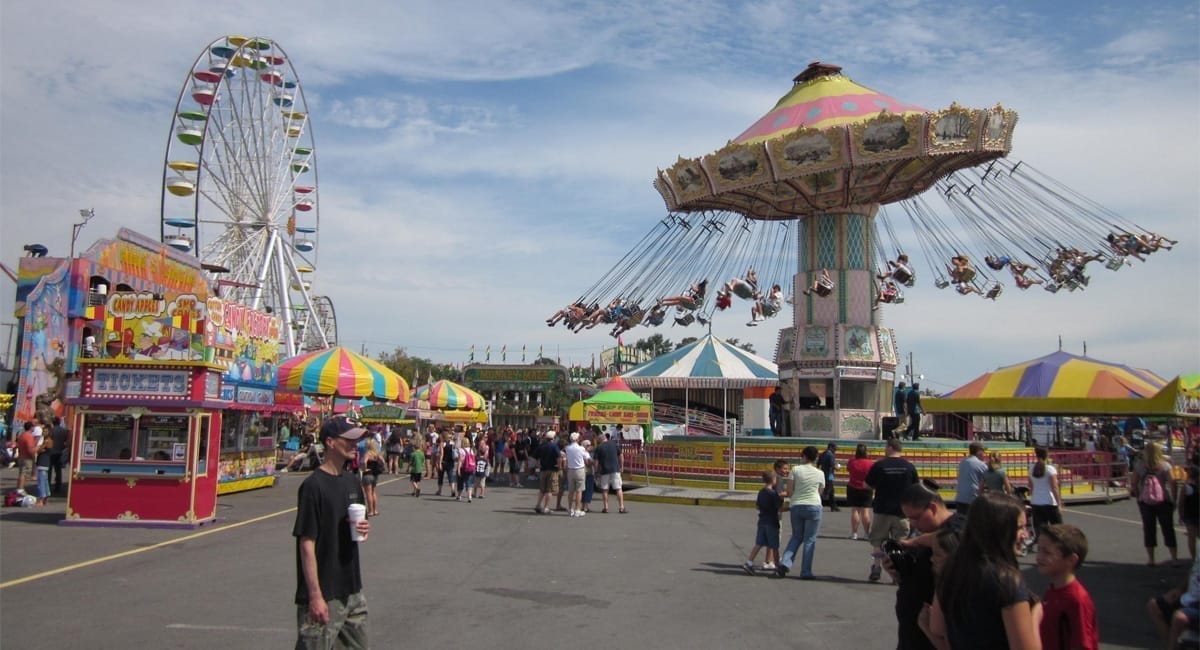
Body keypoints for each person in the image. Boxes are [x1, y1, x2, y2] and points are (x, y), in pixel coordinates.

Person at [925, 492, 1042, 650]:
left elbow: (937, 627)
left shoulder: (952, 568)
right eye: (1020, 527)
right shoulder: (1007, 580)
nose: (1025, 535)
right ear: (1001, 530)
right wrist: (1035, 614)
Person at [292, 415, 371, 648]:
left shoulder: (352, 482)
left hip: (353, 590)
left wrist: (363, 527)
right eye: (348, 440)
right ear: (330, 442)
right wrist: (315, 596)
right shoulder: (313, 487)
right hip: (325, 591)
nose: (354, 445)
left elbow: (360, 526)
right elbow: (307, 543)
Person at [897, 481, 963, 650]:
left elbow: (947, 537)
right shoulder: (925, 532)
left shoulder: (958, 527)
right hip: (911, 634)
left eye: (916, 517)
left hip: (934, 637)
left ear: (933, 508)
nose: (912, 523)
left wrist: (914, 541)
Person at [1036, 524, 1099, 649]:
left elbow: (1083, 645)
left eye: (1047, 552)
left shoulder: (1076, 599)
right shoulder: (1052, 590)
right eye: (1038, 550)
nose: (1039, 557)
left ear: (1071, 560)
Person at [866, 437, 920, 582]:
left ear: (890, 447)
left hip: (882, 508)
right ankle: (897, 571)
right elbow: (916, 487)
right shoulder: (909, 467)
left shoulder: (880, 465)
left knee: (877, 541)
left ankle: (876, 567)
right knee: (900, 542)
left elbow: (867, 485)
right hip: (902, 511)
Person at [776, 445, 824, 580]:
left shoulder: (795, 470)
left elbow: (790, 492)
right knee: (810, 540)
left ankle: (785, 562)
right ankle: (806, 571)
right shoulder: (820, 473)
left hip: (796, 505)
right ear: (815, 458)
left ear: (804, 456)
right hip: (814, 506)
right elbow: (820, 492)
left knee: (796, 536)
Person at [1130, 441, 1179, 566]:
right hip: (1163, 500)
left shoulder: (1140, 465)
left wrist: (1138, 496)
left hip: (1145, 501)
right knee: (1168, 529)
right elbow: (1173, 483)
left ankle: (1151, 559)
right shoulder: (1164, 465)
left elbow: (1134, 483)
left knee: (1149, 529)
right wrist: (1174, 498)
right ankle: (1174, 558)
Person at [1146, 552, 1200, 650]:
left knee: (1179, 618)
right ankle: (1172, 647)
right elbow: (1194, 570)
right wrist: (1180, 589)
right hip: (1190, 598)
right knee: (1154, 606)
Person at [744, 469, 784, 575]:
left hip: (762, 521)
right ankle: (778, 566)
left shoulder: (761, 492)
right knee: (774, 546)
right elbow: (779, 508)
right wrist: (790, 509)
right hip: (772, 521)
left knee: (759, 543)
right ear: (773, 480)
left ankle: (749, 562)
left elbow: (757, 505)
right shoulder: (773, 494)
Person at [1028, 446, 1063, 545]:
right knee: (1058, 529)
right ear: (1046, 455)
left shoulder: (1031, 468)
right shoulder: (1050, 469)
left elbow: (1030, 486)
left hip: (1036, 502)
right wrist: (1059, 503)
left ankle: (1043, 547)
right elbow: (1054, 487)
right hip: (1049, 502)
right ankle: (1059, 546)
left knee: (1040, 529)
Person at [845, 443, 874, 541]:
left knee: (855, 510)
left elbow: (848, 470)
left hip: (853, 487)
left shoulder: (852, 461)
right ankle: (866, 533)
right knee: (865, 511)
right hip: (866, 488)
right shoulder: (870, 463)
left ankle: (854, 533)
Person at [595, 431, 627, 513]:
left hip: (604, 470)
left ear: (599, 440)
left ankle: (606, 507)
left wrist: (596, 472)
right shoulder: (614, 444)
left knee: (605, 489)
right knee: (618, 488)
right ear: (605, 438)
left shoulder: (599, 447)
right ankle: (621, 507)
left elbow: (596, 462)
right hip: (615, 469)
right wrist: (622, 466)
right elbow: (621, 455)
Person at [954, 442, 988, 514]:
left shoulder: (963, 462)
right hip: (973, 499)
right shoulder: (981, 465)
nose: (984, 454)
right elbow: (988, 479)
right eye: (983, 451)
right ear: (979, 451)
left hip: (960, 498)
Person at [534, 430, 562, 514]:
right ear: (553, 438)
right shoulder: (554, 446)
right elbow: (559, 457)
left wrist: (539, 465)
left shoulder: (542, 445)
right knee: (549, 490)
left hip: (543, 470)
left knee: (542, 489)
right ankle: (546, 507)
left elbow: (535, 456)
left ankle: (538, 505)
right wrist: (559, 466)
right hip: (552, 469)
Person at [563, 432, 589, 517]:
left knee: (571, 491)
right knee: (579, 491)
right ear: (577, 439)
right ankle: (577, 509)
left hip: (570, 470)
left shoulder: (567, 448)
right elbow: (586, 458)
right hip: (580, 470)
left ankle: (570, 509)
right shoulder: (581, 448)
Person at [360, 439, 385, 517]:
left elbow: (364, 462)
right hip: (375, 475)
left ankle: (370, 511)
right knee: (373, 492)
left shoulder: (367, 453)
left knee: (368, 493)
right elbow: (383, 461)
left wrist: (364, 468)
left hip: (368, 475)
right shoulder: (377, 454)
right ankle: (375, 510)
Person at [1180, 466, 1198, 562]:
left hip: (1190, 514)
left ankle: (1194, 558)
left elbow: (1181, 502)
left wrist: (1180, 514)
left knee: (1192, 538)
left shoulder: (1187, 487)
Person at [15, 421, 37, 493]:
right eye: (33, 426)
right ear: (31, 427)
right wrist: (33, 455)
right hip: (27, 458)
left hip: (21, 456)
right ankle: (21, 489)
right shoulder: (29, 436)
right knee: (24, 474)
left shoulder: (22, 435)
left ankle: (19, 488)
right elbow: (30, 448)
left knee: (21, 473)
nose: (34, 428)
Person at [817, 442, 840, 512]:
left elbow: (818, 463)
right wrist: (836, 467)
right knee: (827, 490)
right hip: (829, 475)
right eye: (835, 449)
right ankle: (818, 504)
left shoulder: (823, 453)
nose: (835, 451)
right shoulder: (830, 455)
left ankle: (833, 506)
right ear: (831, 447)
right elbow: (831, 465)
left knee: (831, 490)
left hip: (824, 473)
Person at [49, 416, 69, 494]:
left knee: (49, 470)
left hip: (51, 452)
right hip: (60, 452)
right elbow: (66, 440)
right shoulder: (63, 431)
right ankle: (58, 486)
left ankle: (48, 486)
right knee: (58, 470)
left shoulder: (51, 431)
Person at [34, 431, 53, 505]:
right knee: (45, 481)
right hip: (45, 463)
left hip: (43, 463)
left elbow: (38, 450)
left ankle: (41, 499)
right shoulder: (49, 441)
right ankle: (46, 497)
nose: (43, 433)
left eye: (45, 431)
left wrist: (42, 446)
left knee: (41, 482)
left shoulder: (47, 441)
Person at [581, 439, 596, 513]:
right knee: (588, 490)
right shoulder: (586, 453)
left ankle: (583, 505)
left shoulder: (581, 452)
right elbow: (587, 463)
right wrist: (593, 462)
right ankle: (585, 506)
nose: (591, 446)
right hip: (588, 473)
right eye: (589, 445)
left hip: (582, 472)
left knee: (583, 490)